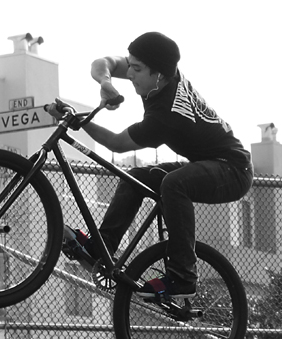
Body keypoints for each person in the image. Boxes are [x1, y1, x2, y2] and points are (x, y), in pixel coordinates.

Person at [63, 31, 254, 298]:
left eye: (137, 69)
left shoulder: (167, 115)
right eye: (130, 65)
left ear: (159, 75)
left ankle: (183, 276)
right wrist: (105, 82)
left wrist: (79, 123)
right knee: (136, 177)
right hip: (208, 162)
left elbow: (117, 143)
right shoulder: (160, 73)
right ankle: (101, 247)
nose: (130, 74)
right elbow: (104, 62)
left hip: (233, 170)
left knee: (174, 184)